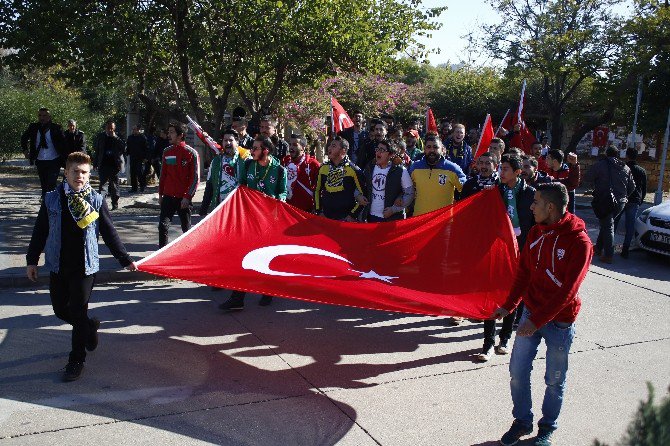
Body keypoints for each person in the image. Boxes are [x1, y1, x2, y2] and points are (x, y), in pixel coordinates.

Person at [492, 182, 592, 446]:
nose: (531, 206)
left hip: (560, 321)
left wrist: (537, 322)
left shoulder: (580, 242)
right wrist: (509, 305)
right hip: (531, 314)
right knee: (517, 372)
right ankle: (522, 421)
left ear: (550, 207)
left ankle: (547, 427)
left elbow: (568, 292)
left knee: (554, 380)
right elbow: (523, 273)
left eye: (536, 202)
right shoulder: (536, 232)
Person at [26, 152, 137, 381]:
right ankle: (89, 326)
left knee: (77, 311)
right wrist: (31, 260)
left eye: (84, 172)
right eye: (75, 171)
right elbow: (40, 230)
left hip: (85, 268)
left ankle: (76, 360)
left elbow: (109, 231)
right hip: (58, 265)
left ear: (89, 174)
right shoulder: (52, 199)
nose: (80, 176)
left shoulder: (96, 200)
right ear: (66, 172)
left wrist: (125, 259)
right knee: (60, 310)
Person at [474, 155, 535, 362]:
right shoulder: (495, 191)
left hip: (520, 250)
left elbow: (536, 224)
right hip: (497, 249)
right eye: (501, 168)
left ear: (518, 172)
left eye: (507, 169)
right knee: (491, 295)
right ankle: (487, 344)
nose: (502, 172)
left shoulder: (530, 194)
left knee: (512, 295)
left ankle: (505, 338)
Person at [218, 136, 287, 311]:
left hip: (269, 223)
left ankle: (268, 290)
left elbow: (283, 194)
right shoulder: (248, 165)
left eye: (256, 148)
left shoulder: (279, 170)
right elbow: (240, 187)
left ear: (265, 150)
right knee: (243, 257)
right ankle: (237, 297)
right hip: (249, 220)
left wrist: (274, 200)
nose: (252, 151)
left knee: (265, 257)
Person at [584, 146, 635, 263]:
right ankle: (598, 248)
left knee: (608, 226)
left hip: (605, 200)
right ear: (617, 155)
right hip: (621, 202)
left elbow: (587, 177)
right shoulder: (625, 167)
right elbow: (632, 187)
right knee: (606, 224)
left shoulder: (600, 165)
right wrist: (624, 196)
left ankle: (608, 255)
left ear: (607, 154)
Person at [157, 122, 200, 248]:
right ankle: (162, 252)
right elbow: (163, 175)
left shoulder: (191, 153)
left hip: (183, 199)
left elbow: (195, 178)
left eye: (172, 132)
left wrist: (187, 197)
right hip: (168, 196)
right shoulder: (167, 151)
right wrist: (160, 194)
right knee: (163, 226)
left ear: (181, 135)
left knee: (186, 229)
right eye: (168, 132)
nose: (169, 135)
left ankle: (188, 253)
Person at [357, 139, 414, 222]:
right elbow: (359, 185)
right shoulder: (370, 167)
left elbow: (410, 193)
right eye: (377, 149)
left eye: (382, 150)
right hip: (370, 217)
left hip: (392, 219)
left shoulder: (401, 170)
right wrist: (358, 196)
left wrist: (393, 209)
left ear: (391, 154)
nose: (378, 153)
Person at [409, 135, 466, 217]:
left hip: (442, 222)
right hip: (419, 220)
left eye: (435, 147)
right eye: (429, 147)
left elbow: (466, 188)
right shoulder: (414, 167)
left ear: (442, 149)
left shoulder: (452, 168)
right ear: (424, 149)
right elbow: (405, 190)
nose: (432, 150)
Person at [200, 128, 248, 215]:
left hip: (239, 206)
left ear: (237, 142)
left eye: (231, 140)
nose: (228, 143)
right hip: (220, 206)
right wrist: (204, 208)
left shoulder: (245, 160)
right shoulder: (216, 161)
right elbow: (210, 185)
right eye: (225, 140)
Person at [315, 136, 364, 221]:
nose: (329, 148)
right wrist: (319, 211)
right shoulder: (323, 168)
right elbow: (317, 191)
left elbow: (364, 196)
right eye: (330, 145)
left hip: (345, 220)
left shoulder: (354, 170)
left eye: (333, 146)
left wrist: (352, 215)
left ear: (343, 150)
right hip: (326, 218)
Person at [21, 107, 66, 197]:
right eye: (40, 115)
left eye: (44, 115)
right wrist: (25, 151)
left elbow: (64, 143)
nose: (42, 118)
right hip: (40, 159)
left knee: (51, 183)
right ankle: (45, 204)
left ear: (49, 117)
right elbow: (24, 138)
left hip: (54, 160)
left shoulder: (56, 128)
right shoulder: (33, 127)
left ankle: (51, 203)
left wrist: (67, 159)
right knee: (44, 184)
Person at [614, 148, 647, 258]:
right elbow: (644, 189)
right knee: (630, 225)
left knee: (614, 222)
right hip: (634, 200)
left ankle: (609, 246)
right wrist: (640, 200)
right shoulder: (641, 171)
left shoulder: (623, 168)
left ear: (627, 156)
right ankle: (625, 249)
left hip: (622, 198)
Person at [282, 134, 320, 212]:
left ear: (303, 148)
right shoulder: (285, 161)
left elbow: (319, 188)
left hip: (305, 212)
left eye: (295, 145)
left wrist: (317, 207)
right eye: (290, 144)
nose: (291, 147)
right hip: (287, 209)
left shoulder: (312, 164)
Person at [93, 120, 126, 210]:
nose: (110, 130)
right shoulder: (101, 137)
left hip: (114, 165)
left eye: (112, 128)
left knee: (114, 185)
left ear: (114, 128)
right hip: (103, 164)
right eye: (108, 128)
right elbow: (97, 151)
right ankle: (101, 205)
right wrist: (95, 163)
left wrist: (115, 137)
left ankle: (114, 203)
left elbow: (123, 149)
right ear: (105, 128)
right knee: (102, 185)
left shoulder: (118, 138)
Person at [545, 149, 580, 214]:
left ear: (554, 161)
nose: (546, 160)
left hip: (562, 212)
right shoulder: (547, 171)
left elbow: (573, 184)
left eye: (548, 158)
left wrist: (574, 164)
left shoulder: (568, 173)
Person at [126, 125, 149, 192]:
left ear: (138, 130)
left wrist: (146, 157)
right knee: (132, 173)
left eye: (135, 129)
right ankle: (134, 188)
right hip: (132, 157)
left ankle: (142, 186)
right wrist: (127, 153)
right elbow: (128, 146)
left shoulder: (142, 137)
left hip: (140, 158)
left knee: (139, 172)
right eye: (132, 129)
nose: (133, 131)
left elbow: (146, 148)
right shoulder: (130, 137)